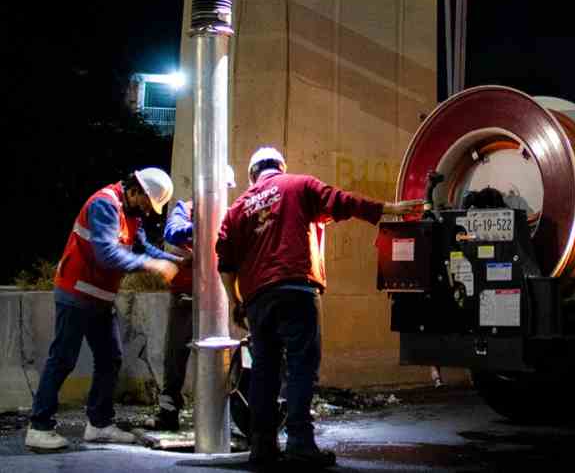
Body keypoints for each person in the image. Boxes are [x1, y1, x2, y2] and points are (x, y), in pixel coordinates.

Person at [217, 147, 415, 467]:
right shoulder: (299, 185)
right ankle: (300, 444)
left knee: (264, 371)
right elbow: (342, 201)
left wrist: (235, 303)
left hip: (258, 300)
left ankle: (262, 446)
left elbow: (225, 262)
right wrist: (389, 208)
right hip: (297, 288)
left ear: (253, 175)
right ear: (280, 166)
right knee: (300, 367)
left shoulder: (238, 208)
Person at [26, 168, 184, 452]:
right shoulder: (104, 204)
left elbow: (142, 247)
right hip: (76, 292)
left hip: (99, 297)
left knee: (110, 357)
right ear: (136, 191)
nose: (149, 211)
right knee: (62, 358)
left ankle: (99, 424)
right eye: (148, 203)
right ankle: (39, 427)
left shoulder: (132, 213)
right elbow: (106, 254)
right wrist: (152, 265)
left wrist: (174, 261)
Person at [153, 165, 238, 432]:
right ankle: (169, 409)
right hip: (186, 294)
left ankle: (224, 414)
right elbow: (173, 232)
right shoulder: (186, 209)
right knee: (176, 353)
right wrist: (204, 227)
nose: (221, 192)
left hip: (219, 297)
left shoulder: (231, 213)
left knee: (224, 355)